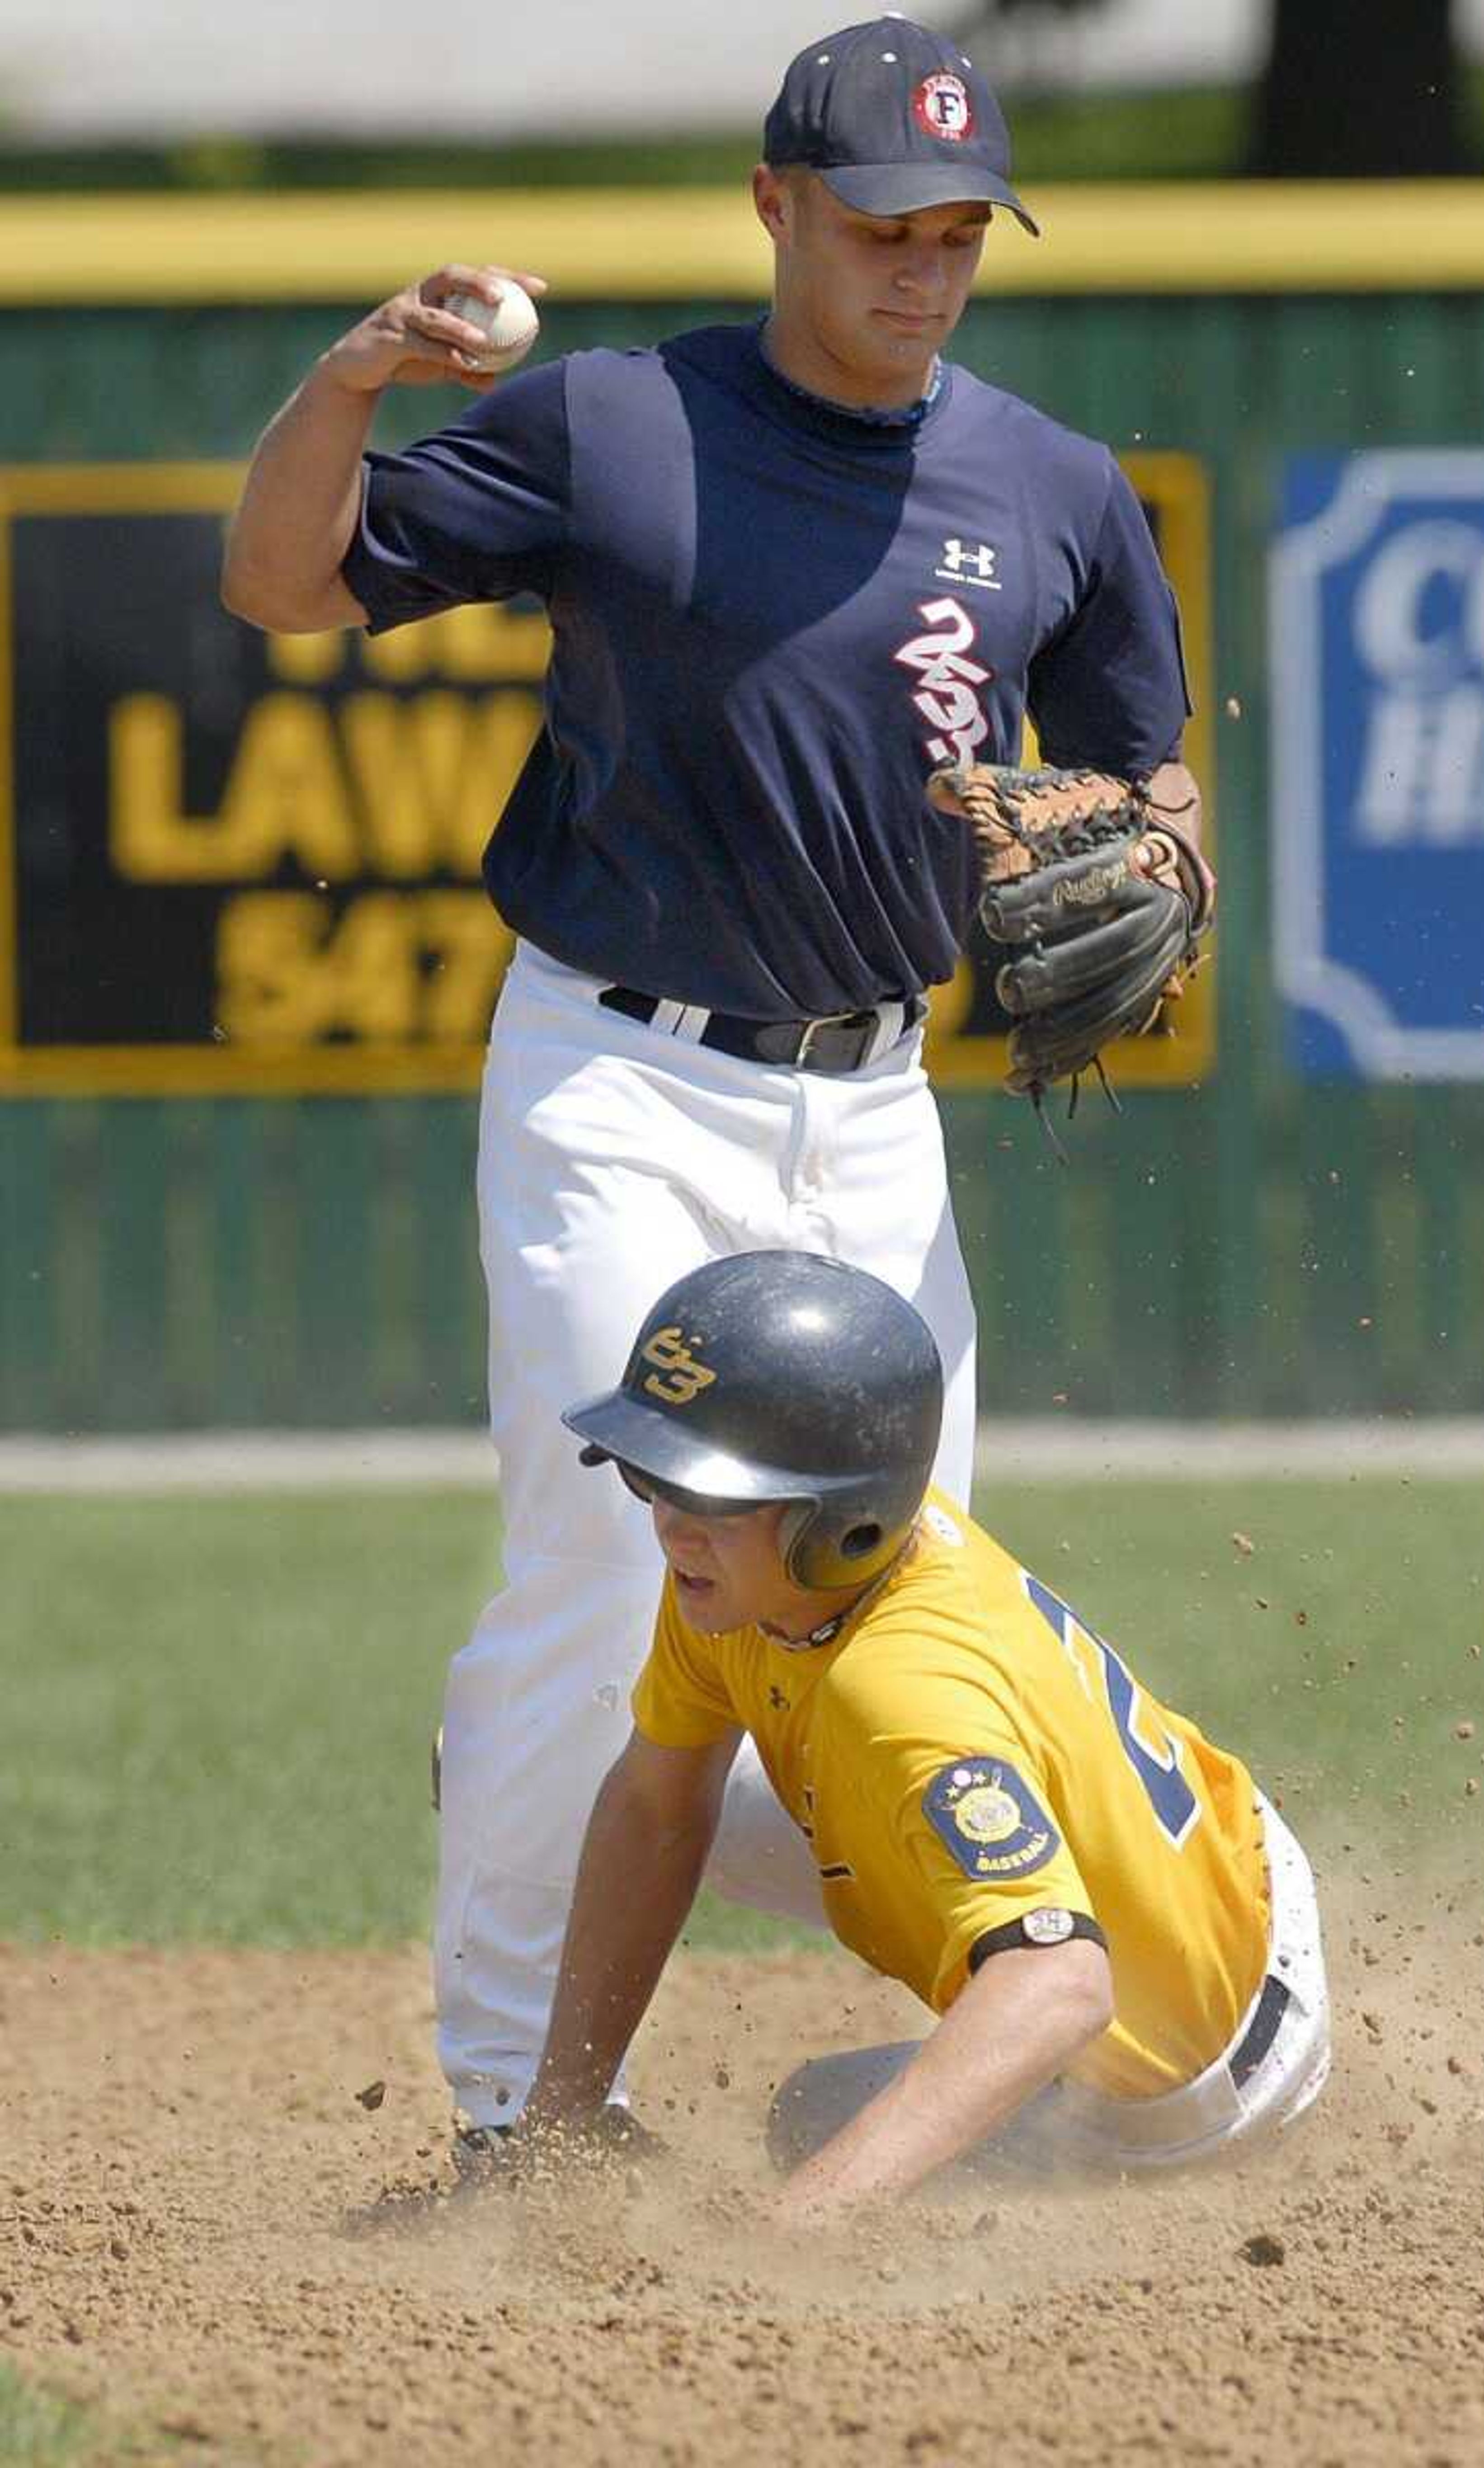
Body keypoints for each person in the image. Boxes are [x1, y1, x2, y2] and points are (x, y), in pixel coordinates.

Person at [219, 14, 1201, 2137]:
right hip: (619, 1076)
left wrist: (1144, 840)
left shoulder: (1049, 489)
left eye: (957, 233)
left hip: (871, 1108)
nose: (920, 269)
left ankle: (989, 2030)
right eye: (879, 227)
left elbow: (1150, 774)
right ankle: (518, 2119)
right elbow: (283, 582)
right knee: (612, 1552)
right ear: (775, 205)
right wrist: (355, 377)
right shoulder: (617, 428)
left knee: (884, 1592)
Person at [516, 1251, 1328, 2213]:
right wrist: (554, 2127)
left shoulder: (898, 1694)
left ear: (845, 1523)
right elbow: (657, 1813)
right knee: (610, 1785)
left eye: (716, 1497)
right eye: (657, 1479)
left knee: (819, 2125)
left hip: (1196, 2068)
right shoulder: (755, 1579)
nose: (672, 1526)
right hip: (1215, 1866)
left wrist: (794, 2229)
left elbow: (1063, 1982)